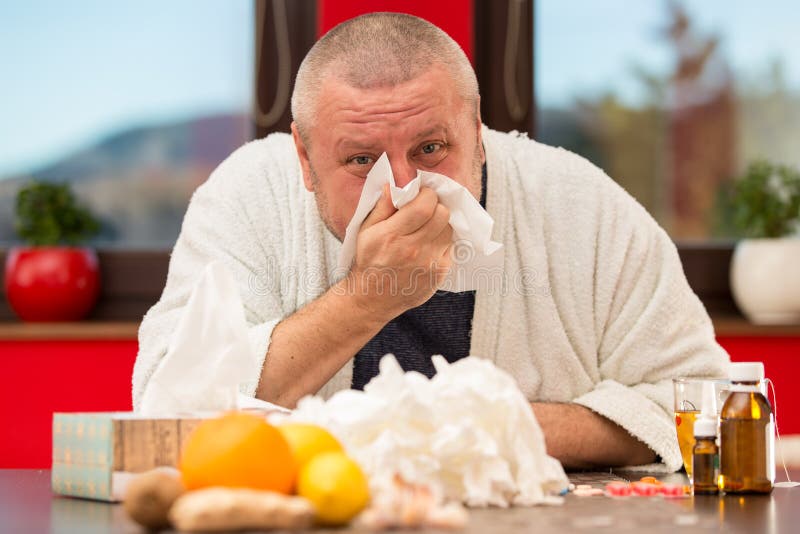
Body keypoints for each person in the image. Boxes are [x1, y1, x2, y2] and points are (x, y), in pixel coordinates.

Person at [133, 13, 728, 469]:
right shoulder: (246, 195)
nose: (400, 190)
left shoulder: (581, 204)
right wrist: (367, 297)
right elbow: (170, 410)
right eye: (361, 160)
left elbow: (703, 405)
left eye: (431, 149)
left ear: (478, 132)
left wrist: (483, 426)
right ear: (305, 159)